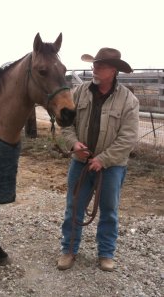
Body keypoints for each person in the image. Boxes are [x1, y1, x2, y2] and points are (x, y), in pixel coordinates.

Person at [57, 48, 139, 272]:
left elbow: (128, 137)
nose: (94, 69)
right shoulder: (78, 93)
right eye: (94, 64)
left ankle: (106, 253)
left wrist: (103, 159)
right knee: (73, 208)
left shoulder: (128, 100)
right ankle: (69, 250)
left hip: (111, 167)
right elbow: (65, 124)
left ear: (113, 71)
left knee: (109, 211)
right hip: (80, 163)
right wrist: (74, 144)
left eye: (100, 66)